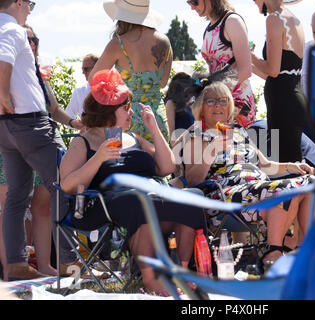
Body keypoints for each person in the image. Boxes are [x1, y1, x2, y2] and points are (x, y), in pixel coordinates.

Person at [60, 68, 204, 296]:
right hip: (103, 204)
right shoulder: (84, 142)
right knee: (141, 199)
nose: (131, 112)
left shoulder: (134, 138)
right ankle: (150, 279)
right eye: (125, 107)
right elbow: (67, 184)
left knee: (192, 197)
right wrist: (99, 158)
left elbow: (166, 168)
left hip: (147, 198)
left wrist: (154, 129)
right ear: (108, 112)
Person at [183, 81, 315, 266]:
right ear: (201, 106)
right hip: (225, 195)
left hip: (258, 187)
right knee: (287, 190)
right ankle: (273, 252)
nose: (218, 105)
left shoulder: (239, 131)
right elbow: (192, 179)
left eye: (223, 101)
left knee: (311, 183)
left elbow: (265, 165)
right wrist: (213, 150)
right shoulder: (196, 135)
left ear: (229, 105)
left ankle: (308, 251)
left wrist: (293, 166)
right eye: (211, 101)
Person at [0, 0, 76, 280]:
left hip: (7, 126)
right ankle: (71, 263)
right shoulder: (13, 28)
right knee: (65, 183)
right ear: (18, 2)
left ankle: (17, 264)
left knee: (17, 197)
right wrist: (4, 95)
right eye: (30, 4)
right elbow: (3, 60)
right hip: (29, 122)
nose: (30, 9)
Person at [89, 0, 172, 144]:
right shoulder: (164, 41)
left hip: (126, 115)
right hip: (156, 114)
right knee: (161, 163)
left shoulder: (118, 44)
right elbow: (163, 83)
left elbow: (93, 80)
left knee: (126, 162)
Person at [251, 0, 311, 163]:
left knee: (287, 167)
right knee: (293, 163)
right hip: (294, 98)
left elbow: (272, 69)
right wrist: (252, 67)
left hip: (283, 104)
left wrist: (251, 56)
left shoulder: (274, 19)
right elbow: (281, 74)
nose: (254, 2)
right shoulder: (293, 19)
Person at [187, 0, 257, 128]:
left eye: (194, 1)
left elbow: (245, 70)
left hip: (237, 105)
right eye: (188, 3)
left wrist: (209, 93)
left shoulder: (232, 21)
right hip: (217, 104)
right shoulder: (209, 28)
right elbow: (215, 72)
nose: (192, 7)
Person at [65, 53, 98, 131]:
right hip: (89, 138)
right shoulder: (79, 91)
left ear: (97, 68)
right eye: (82, 69)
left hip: (110, 138)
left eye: (86, 69)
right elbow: (68, 113)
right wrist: (76, 123)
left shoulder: (111, 89)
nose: (83, 72)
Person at [164, 72, 196, 146]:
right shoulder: (170, 103)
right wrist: (192, 128)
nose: (191, 94)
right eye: (189, 91)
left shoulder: (186, 103)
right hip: (181, 149)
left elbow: (199, 82)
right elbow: (172, 140)